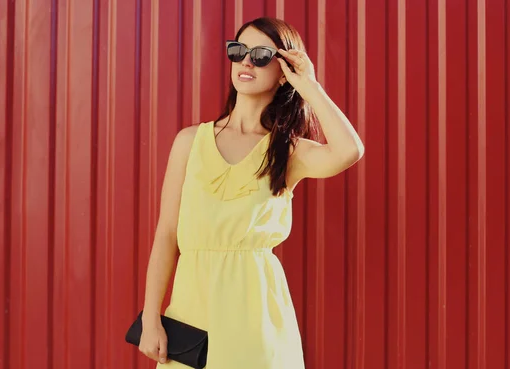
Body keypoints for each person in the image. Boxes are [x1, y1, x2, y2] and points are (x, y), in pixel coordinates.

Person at [138, 17, 364, 369]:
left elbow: (349, 151)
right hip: (191, 315)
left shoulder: (286, 151)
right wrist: (151, 316)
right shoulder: (189, 142)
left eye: (260, 55)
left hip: (256, 322)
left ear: (283, 71)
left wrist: (309, 86)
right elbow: (166, 234)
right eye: (238, 50)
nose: (246, 61)